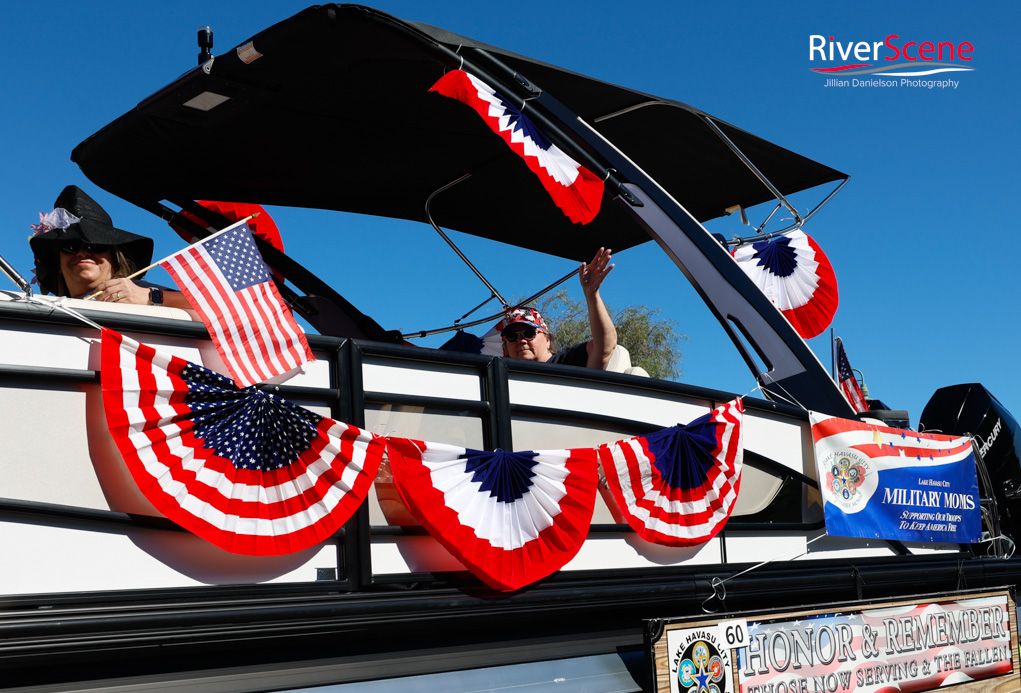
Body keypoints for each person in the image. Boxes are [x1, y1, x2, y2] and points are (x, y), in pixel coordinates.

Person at [29, 185, 191, 310]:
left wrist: (151, 297)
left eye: (96, 245)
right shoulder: (47, 311)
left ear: (115, 258)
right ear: (57, 262)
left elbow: (212, 307)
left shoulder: (137, 292)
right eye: (70, 245)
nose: (82, 252)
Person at [501, 247, 617, 370]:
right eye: (512, 337)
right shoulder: (504, 379)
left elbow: (605, 346)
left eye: (529, 333)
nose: (522, 341)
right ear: (506, 348)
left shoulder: (566, 361)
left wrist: (592, 294)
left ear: (547, 340)